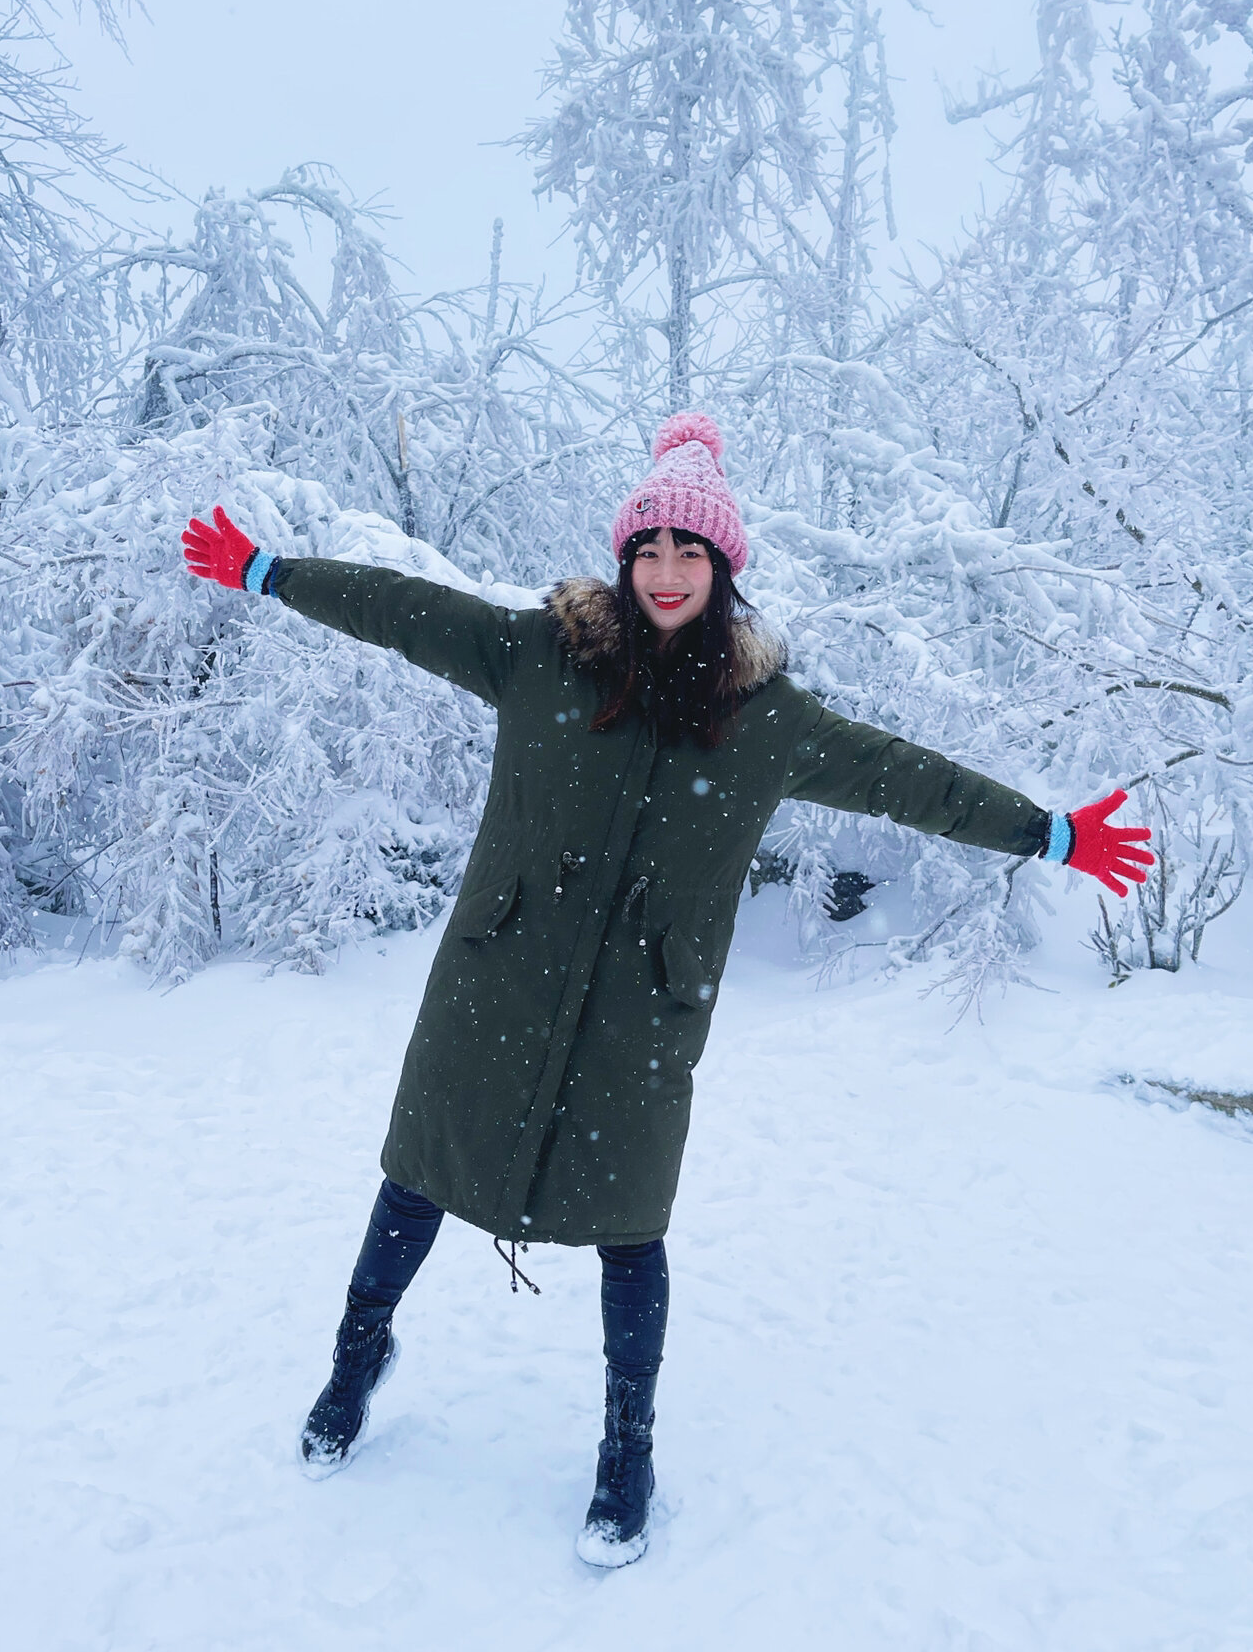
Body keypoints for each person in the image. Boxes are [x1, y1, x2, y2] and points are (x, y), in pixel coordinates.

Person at [181, 411, 1153, 1567]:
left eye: (690, 549)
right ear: (624, 557)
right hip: (495, 984)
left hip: (642, 1019)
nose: (667, 569)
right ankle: (354, 1364)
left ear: (723, 566)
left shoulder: (768, 723)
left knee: (630, 1232)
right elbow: (401, 609)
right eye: (648, 547)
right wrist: (270, 571)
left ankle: (626, 1448)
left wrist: (1047, 832)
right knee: (415, 1180)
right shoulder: (538, 655)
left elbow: (908, 780)